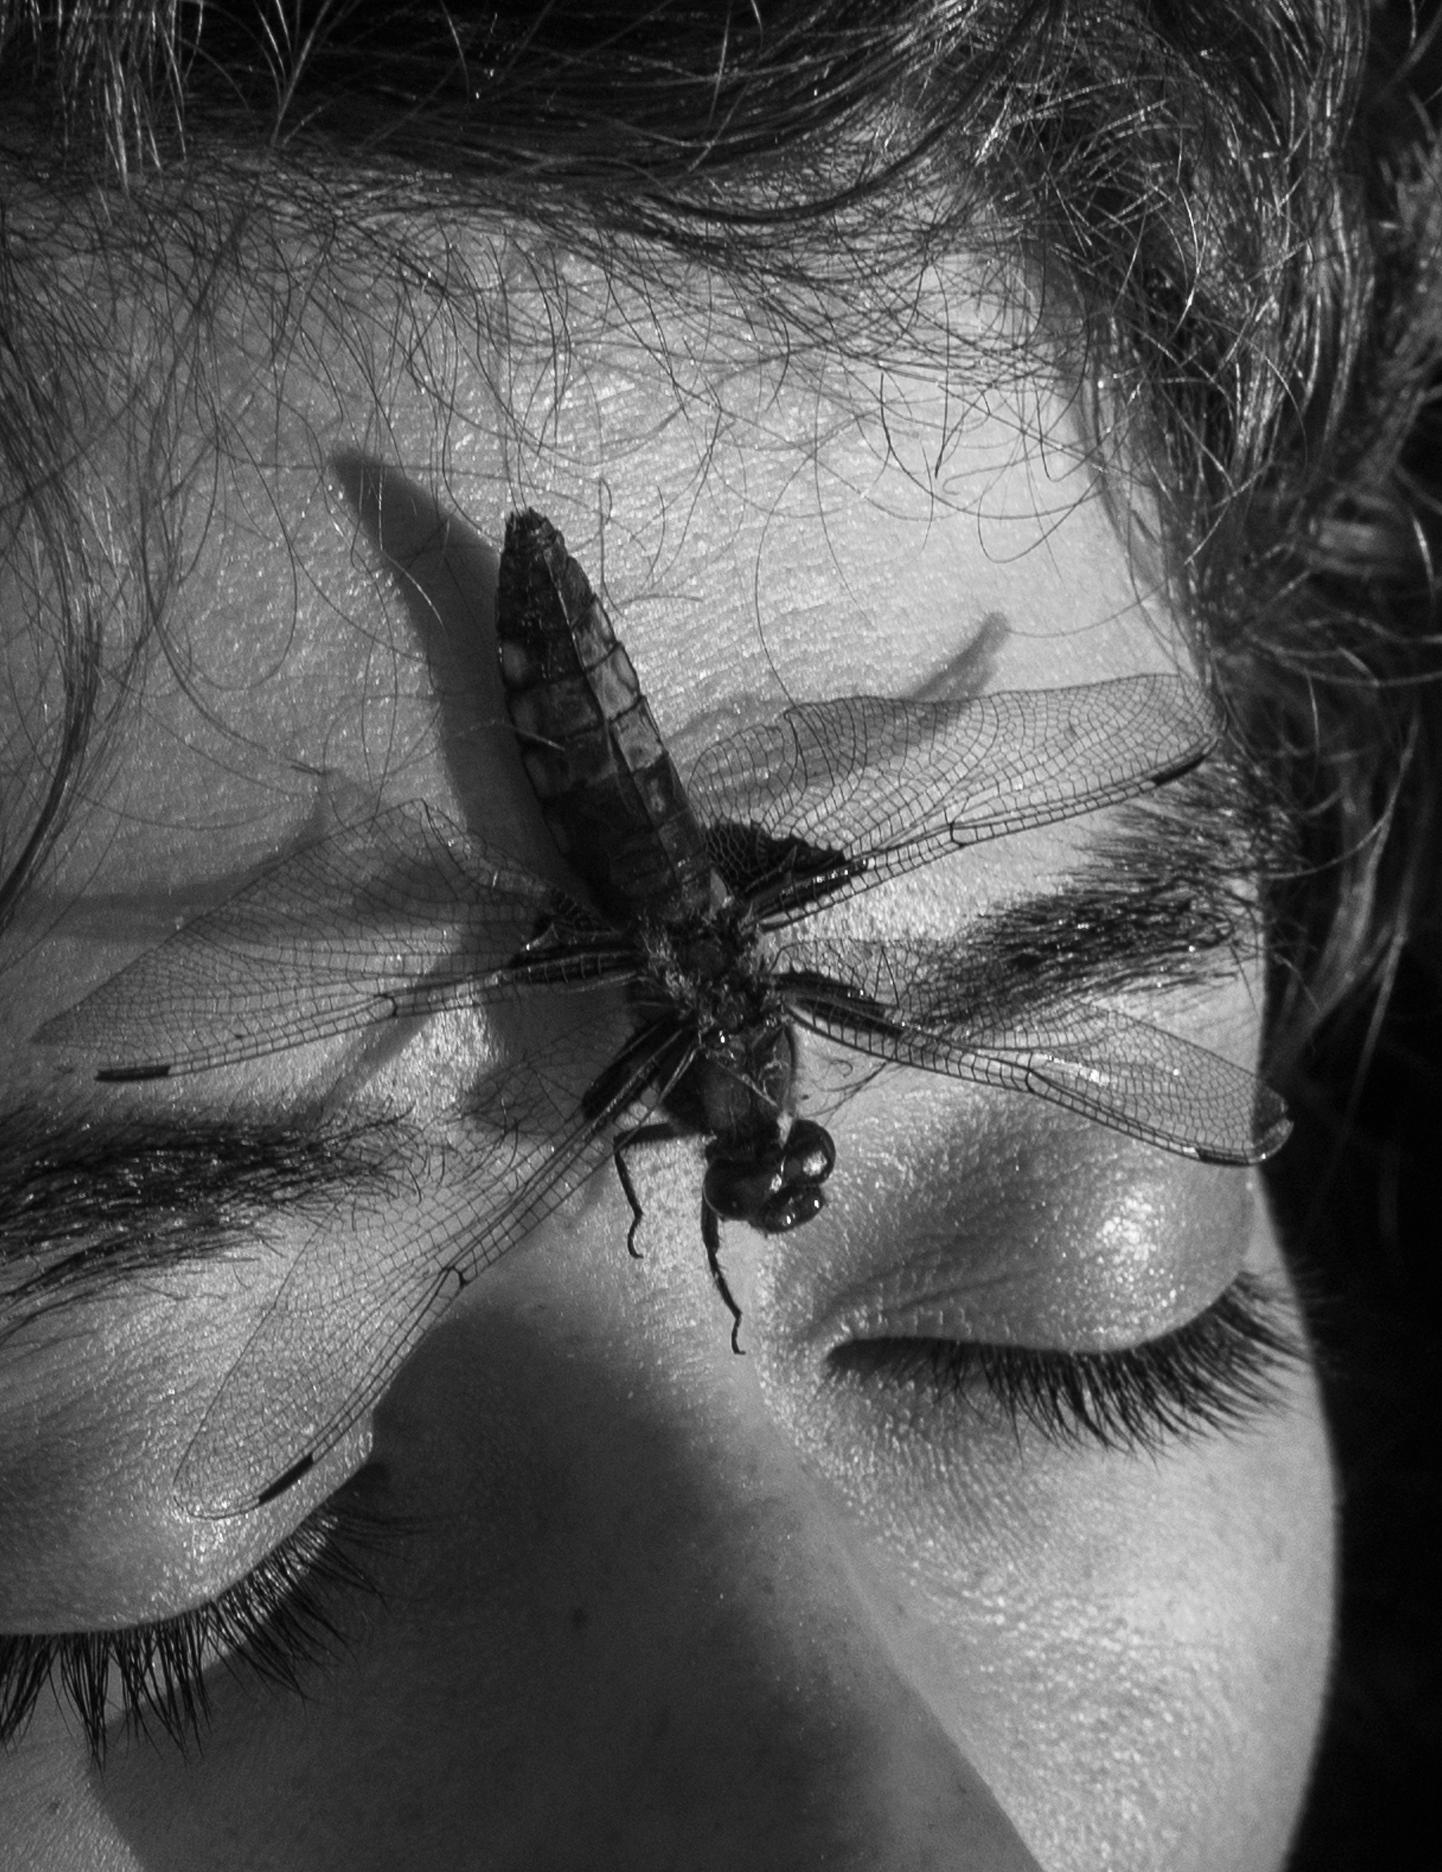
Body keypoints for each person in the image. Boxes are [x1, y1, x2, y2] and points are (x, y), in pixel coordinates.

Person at [0, 2, 1436, 1866]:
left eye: (1091, 1316)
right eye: (140, 1585)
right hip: (622, 820)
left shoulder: (698, 1071)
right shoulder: (697, 1056)